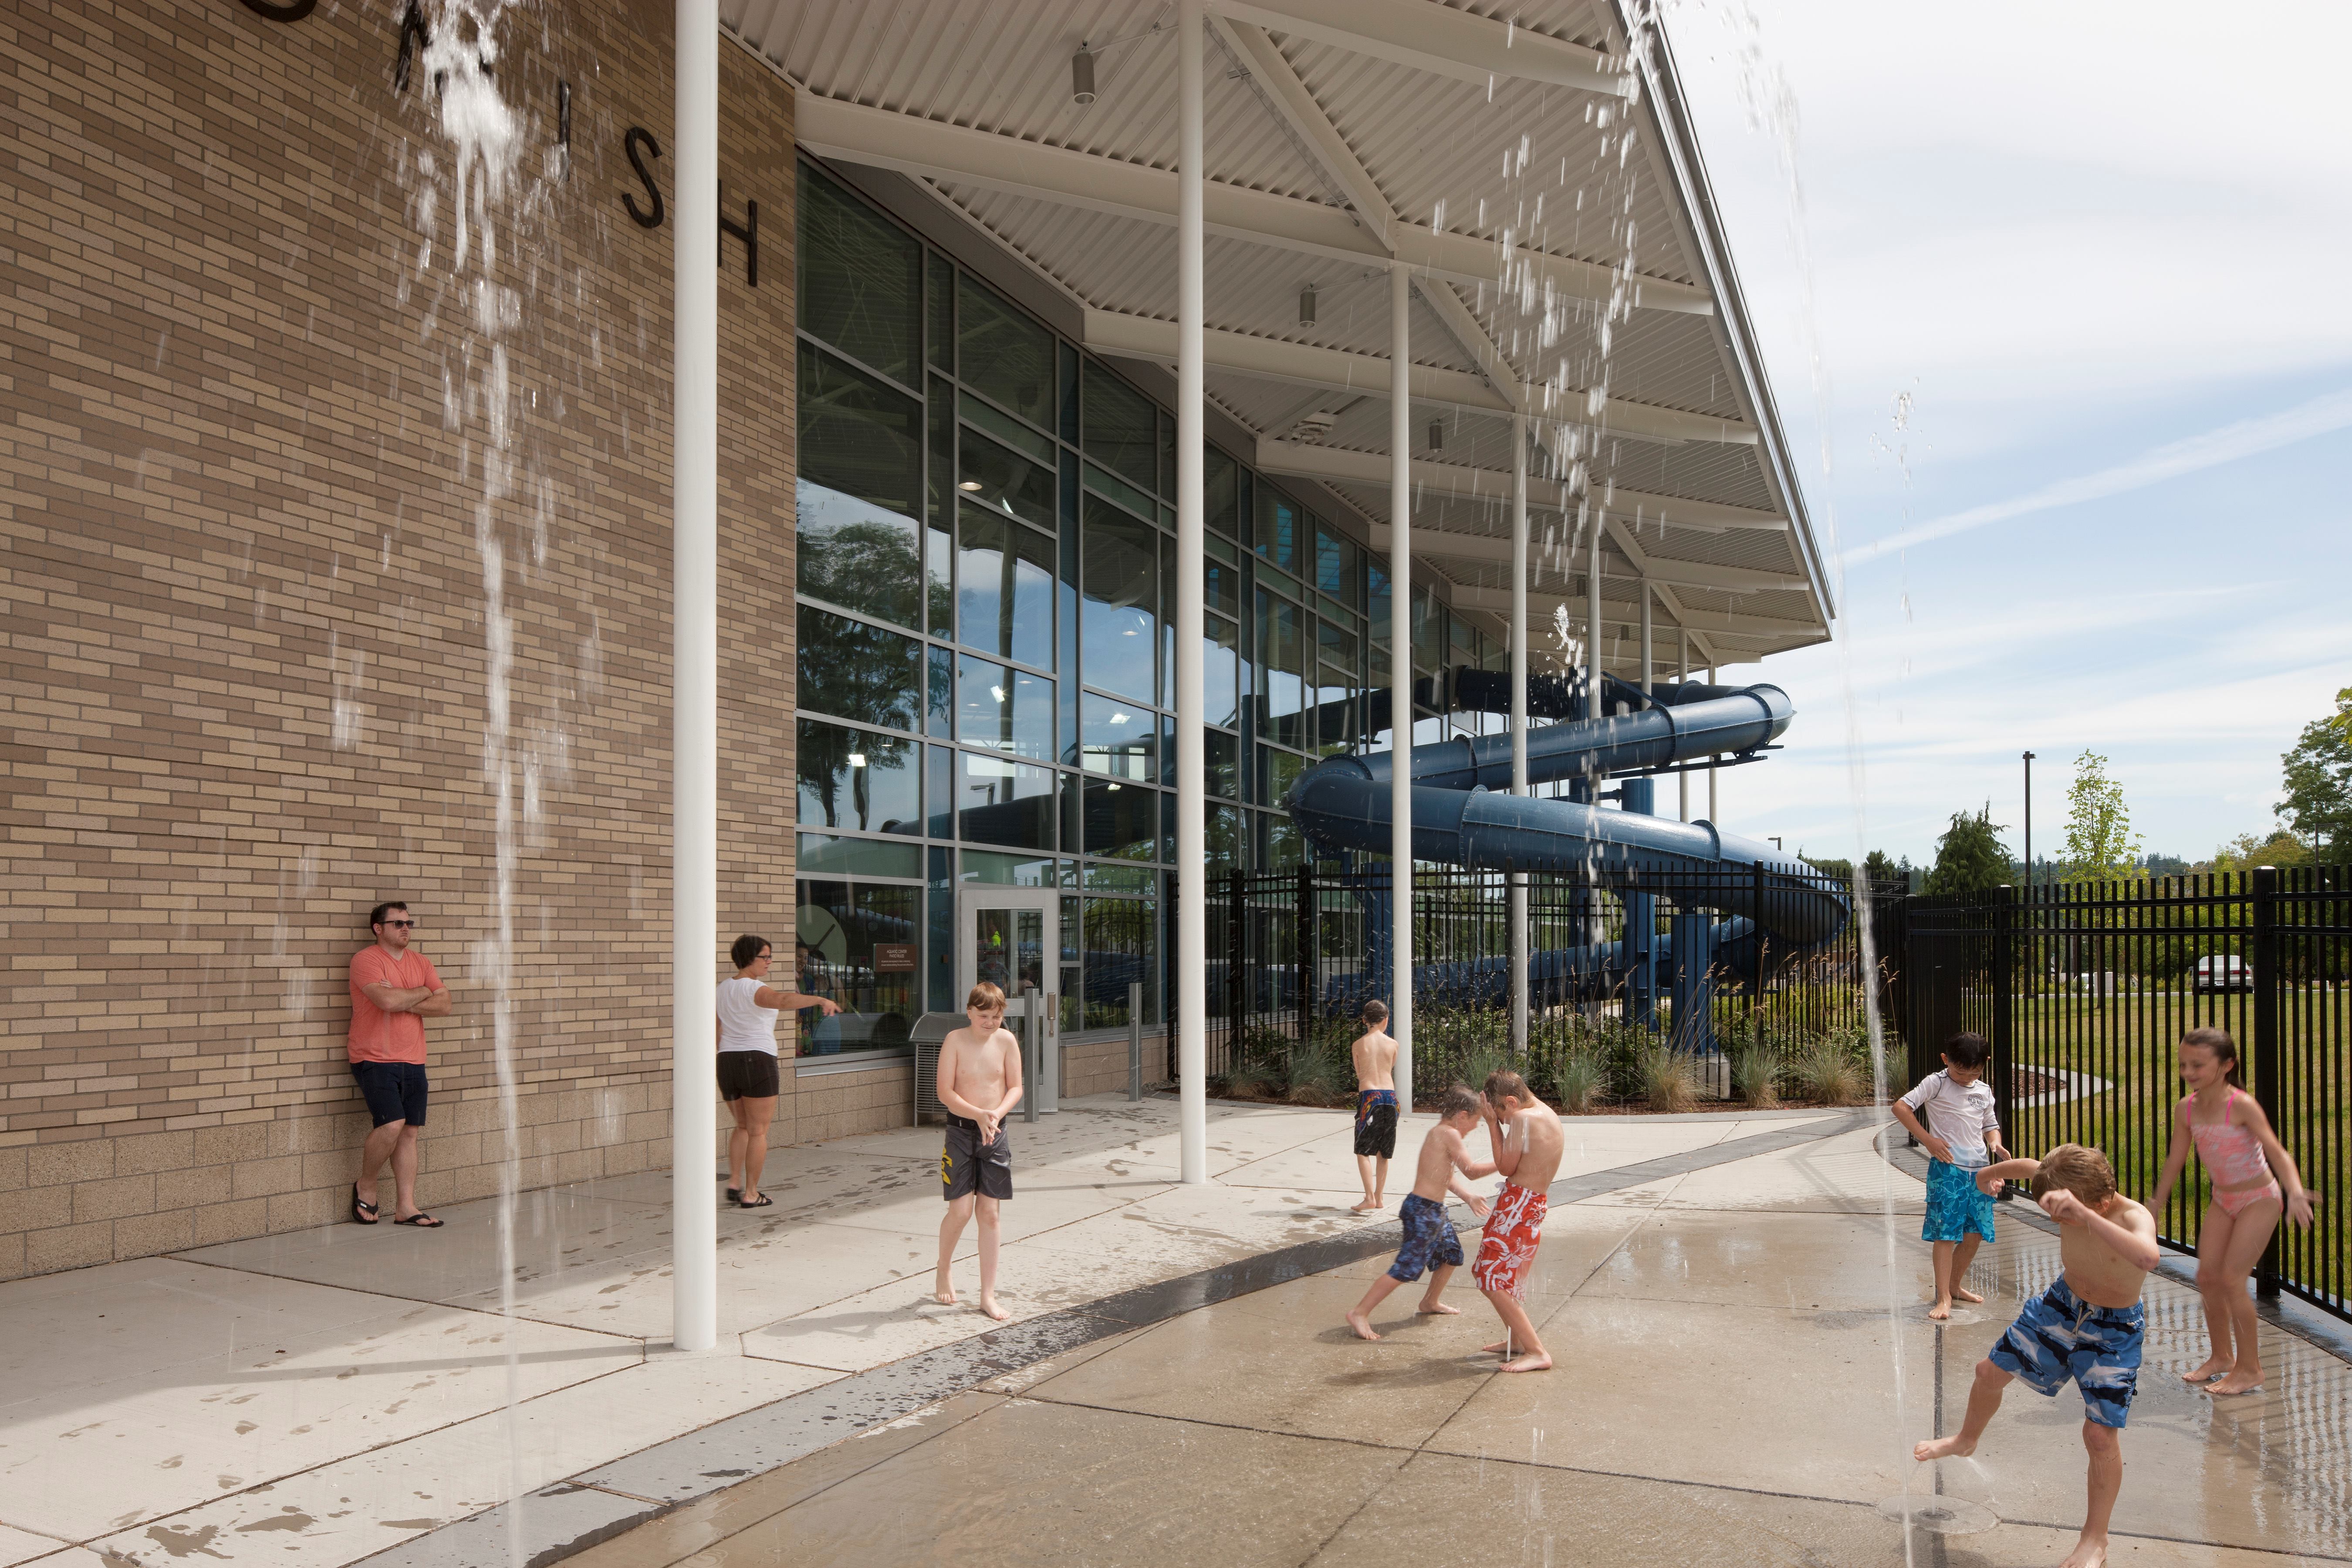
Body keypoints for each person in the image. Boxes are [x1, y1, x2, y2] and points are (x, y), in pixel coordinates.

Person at [1915, 1145, 2159, 1568]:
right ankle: (1965, 1440)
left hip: (2113, 1329)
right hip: (2060, 1306)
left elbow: (2148, 1257)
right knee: (1988, 1372)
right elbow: (2030, 1168)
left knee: (2100, 1436)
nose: (2056, 1220)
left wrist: (2086, 1218)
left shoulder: (2132, 1217)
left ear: (2099, 1202)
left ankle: (2094, 1541)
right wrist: (1990, 1174)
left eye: (2060, 1214)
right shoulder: (2061, 1184)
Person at [2145, 1026, 2313, 1395]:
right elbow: (2176, 1159)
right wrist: (2157, 1202)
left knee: (2233, 1280)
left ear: (2227, 1065)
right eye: (2183, 1064)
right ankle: (2221, 1356)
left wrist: (2296, 1192)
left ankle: (2250, 1368)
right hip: (2223, 1198)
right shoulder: (2186, 1109)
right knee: (2207, 1277)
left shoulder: (2241, 1105)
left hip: (2260, 1199)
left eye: (2198, 1065)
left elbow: (2276, 1151)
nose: (2189, 1072)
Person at [1345, 1085, 1494, 1340]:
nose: (1476, 1126)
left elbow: (1442, 1176)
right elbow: (1470, 1170)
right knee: (1407, 1267)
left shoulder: (1438, 1133)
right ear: (1462, 1115)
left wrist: (1468, 1196)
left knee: (1451, 1255)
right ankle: (1360, 1312)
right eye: (1476, 1120)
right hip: (1423, 1213)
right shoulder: (1450, 1134)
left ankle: (1430, 1302)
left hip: (1432, 1210)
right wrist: (1508, 1161)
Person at [716, 934, 840, 1209]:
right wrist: (820, 999)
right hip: (757, 1060)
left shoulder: (722, 988)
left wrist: (720, 1058)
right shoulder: (753, 988)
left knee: (742, 1126)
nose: (769, 962)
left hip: (727, 1061)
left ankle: (734, 1183)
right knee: (758, 1131)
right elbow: (782, 1001)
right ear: (751, 958)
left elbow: (717, 1029)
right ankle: (751, 1193)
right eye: (766, 957)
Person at [1891, 1031, 2010, 1319]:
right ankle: (1942, 1296)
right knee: (1946, 1235)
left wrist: (1995, 1143)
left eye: (1974, 1072)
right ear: (1946, 1060)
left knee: (1974, 1234)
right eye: (1960, 1071)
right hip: (1949, 1171)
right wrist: (1928, 1140)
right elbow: (1901, 1107)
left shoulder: (1983, 1091)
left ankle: (1955, 1287)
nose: (1966, 1078)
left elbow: (1989, 1125)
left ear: (1985, 1064)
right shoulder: (1937, 1083)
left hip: (1980, 1172)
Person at [348, 902, 451, 1227]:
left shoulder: (421, 962)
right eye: (398, 924)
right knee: (391, 1125)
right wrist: (423, 993)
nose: (406, 929)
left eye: (410, 923)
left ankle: (406, 1207)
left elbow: (445, 1004)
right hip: (374, 1057)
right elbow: (386, 1002)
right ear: (378, 928)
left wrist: (407, 995)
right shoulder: (366, 960)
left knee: (409, 1132)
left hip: (414, 1059)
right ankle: (366, 1183)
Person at [934, 981, 1023, 1322]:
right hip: (961, 1133)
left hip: (995, 1132)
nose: (990, 1022)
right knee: (960, 1211)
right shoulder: (955, 1040)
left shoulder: (1006, 1041)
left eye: (997, 1016)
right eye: (984, 1015)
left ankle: (988, 1295)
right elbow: (945, 1091)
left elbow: (1015, 1086)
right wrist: (978, 1115)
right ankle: (944, 1269)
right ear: (970, 1012)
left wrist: (996, 1115)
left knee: (990, 1215)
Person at [1472, 1068, 1565, 1373]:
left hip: (1519, 1206)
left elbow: (1504, 1166)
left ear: (1511, 1102)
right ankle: (1517, 1339)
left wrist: (1490, 1126)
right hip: (1531, 1204)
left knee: (1491, 1277)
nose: (1502, 1122)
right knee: (1497, 1275)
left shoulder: (1523, 1119)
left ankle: (1537, 1351)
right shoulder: (1546, 1112)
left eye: (1501, 1115)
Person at [1348, 999, 1399, 1213]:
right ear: (1386, 1020)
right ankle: (1379, 1197)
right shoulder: (1393, 1044)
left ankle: (1369, 1197)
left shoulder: (1359, 1045)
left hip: (1370, 1097)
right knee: (1384, 1152)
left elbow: (1361, 1074)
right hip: (1391, 1098)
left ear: (1364, 1020)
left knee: (1363, 1151)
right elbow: (1391, 1067)